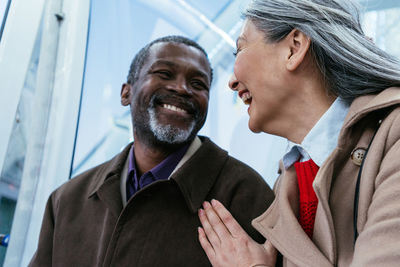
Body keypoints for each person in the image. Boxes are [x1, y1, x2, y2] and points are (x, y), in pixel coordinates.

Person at [29, 35, 274, 266]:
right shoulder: (67, 200)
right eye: (164, 74)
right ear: (127, 93)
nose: (182, 89)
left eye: (198, 84)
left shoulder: (247, 194)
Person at [197, 0, 400, 266]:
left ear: (294, 48)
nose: (231, 81)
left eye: (240, 49)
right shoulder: (288, 184)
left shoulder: (393, 137)